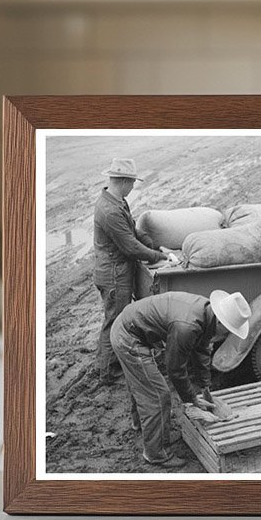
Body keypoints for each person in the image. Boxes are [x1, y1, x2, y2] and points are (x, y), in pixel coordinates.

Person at [110, 289, 252, 469]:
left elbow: (201, 350)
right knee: (158, 395)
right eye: (228, 330)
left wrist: (205, 387)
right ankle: (156, 454)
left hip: (132, 327)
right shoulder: (187, 326)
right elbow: (175, 368)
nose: (226, 335)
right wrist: (191, 400)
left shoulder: (206, 312)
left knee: (143, 384)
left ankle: (142, 425)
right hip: (128, 337)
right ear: (221, 322)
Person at [93, 158, 172, 385]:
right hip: (114, 275)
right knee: (115, 321)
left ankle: (107, 365)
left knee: (114, 319)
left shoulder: (116, 201)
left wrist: (150, 242)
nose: (133, 187)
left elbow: (132, 231)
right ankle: (109, 373)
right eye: (133, 182)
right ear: (125, 182)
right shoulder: (109, 210)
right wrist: (159, 256)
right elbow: (129, 246)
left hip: (115, 271)